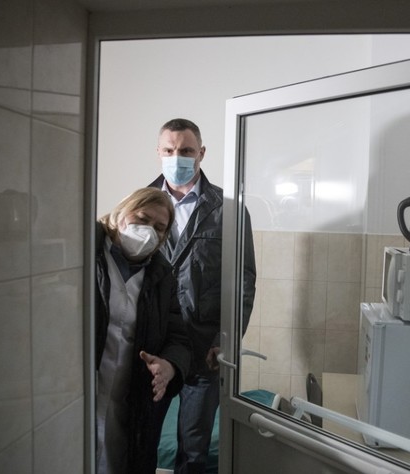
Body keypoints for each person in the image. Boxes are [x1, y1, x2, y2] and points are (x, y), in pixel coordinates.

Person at [148, 118, 256, 473]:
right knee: (143, 442)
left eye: (186, 150)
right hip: (155, 348)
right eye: (169, 150)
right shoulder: (142, 206)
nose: (177, 157)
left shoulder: (228, 209)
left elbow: (243, 281)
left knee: (194, 452)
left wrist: (226, 339)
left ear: (202, 153)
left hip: (204, 349)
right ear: (158, 152)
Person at [95, 187, 192, 474]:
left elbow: (178, 337)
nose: (148, 231)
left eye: (159, 228)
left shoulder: (161, 276)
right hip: (76, 394)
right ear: (119, 214)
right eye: (141, 219)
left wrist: (170, 366)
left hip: (129, 401)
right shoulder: (87, 254)